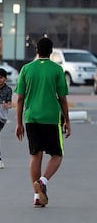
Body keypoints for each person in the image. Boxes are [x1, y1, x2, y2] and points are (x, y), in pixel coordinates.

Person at [15, 37, 71, 208]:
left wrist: (19, 123)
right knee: (57, 155)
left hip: (31, 117)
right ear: (51, 51)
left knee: (35, 155)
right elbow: (62, 98)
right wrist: (67, 120)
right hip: (51, 118)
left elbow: (19, 99)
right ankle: (43, 181)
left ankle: (37, 197)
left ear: (36, 50)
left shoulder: (26, 69)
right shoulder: (57, 69)